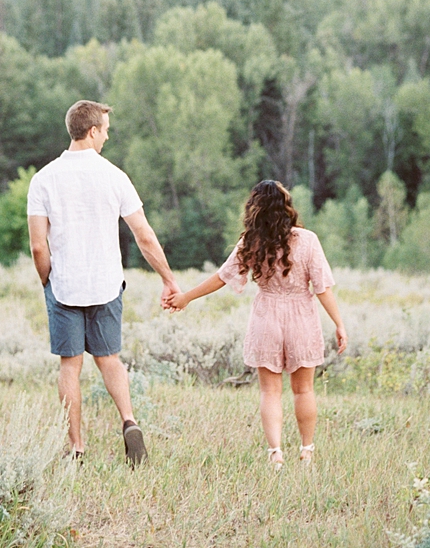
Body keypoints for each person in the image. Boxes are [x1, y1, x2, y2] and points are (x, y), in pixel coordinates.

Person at [27, 99, 180, 465]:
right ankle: (129, 422)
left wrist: (48, 280)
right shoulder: (115, 176)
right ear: (92, 131)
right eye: (106, 131)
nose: (107, 137)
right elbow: (143, 235)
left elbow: (37, 245)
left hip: (65, 285)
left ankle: (77, 448)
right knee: (110, 360)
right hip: (106, 283)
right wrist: (168, 279)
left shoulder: (43, 179)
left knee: (70, 366)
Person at [166, 179, 347, 470]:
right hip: (302, 315)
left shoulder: (252, 241)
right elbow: (322, 287)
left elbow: (221, 277)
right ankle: (306, 451)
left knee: (270, 391)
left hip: (267, 318)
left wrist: (186, 297)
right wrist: (339, 323)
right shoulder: (308, 240)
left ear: (255, 208)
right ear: (285, 205)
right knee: (304, 390)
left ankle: (275, 453)